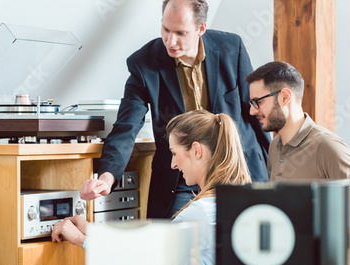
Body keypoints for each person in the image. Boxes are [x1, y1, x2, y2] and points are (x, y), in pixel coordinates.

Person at [53, 109, 252, 265]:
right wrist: (92, 230)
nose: (173, 165)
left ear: (196, 151)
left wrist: (80, 239)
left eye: (175, 153)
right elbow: (146, 250)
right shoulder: (239, 200)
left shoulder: (199, 214)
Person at [79, 0, 269, 219]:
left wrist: (272, 165)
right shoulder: (144, 63)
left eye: (180, 33)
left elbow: (255, 109)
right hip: (180, 176)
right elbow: (126, 127)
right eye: (166, 29)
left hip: (235, 168)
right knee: (169, 243)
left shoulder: (231, 48)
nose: (170, 41)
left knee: (240, 243)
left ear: (201, 29)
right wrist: (106, 178)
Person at [245, 60, 350, 265]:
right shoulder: (275, 147)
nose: (253, 111)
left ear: (284, 96)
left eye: (258, 102)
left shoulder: (328, 147)